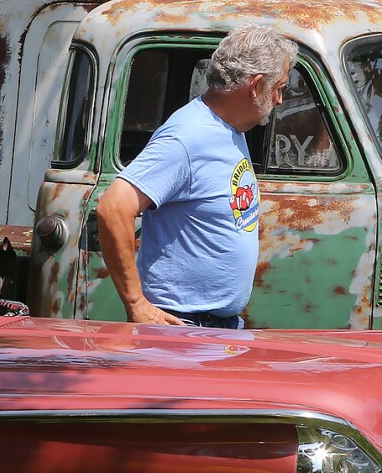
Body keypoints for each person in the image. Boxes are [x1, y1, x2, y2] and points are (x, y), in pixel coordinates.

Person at [95, 27, 296, 328]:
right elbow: (112, 208)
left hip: (214, 327)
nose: (279, 99)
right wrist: (137, 305)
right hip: (183, 328)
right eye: (278, 87)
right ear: (255, 86)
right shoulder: (188, 136)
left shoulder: (229, 129)